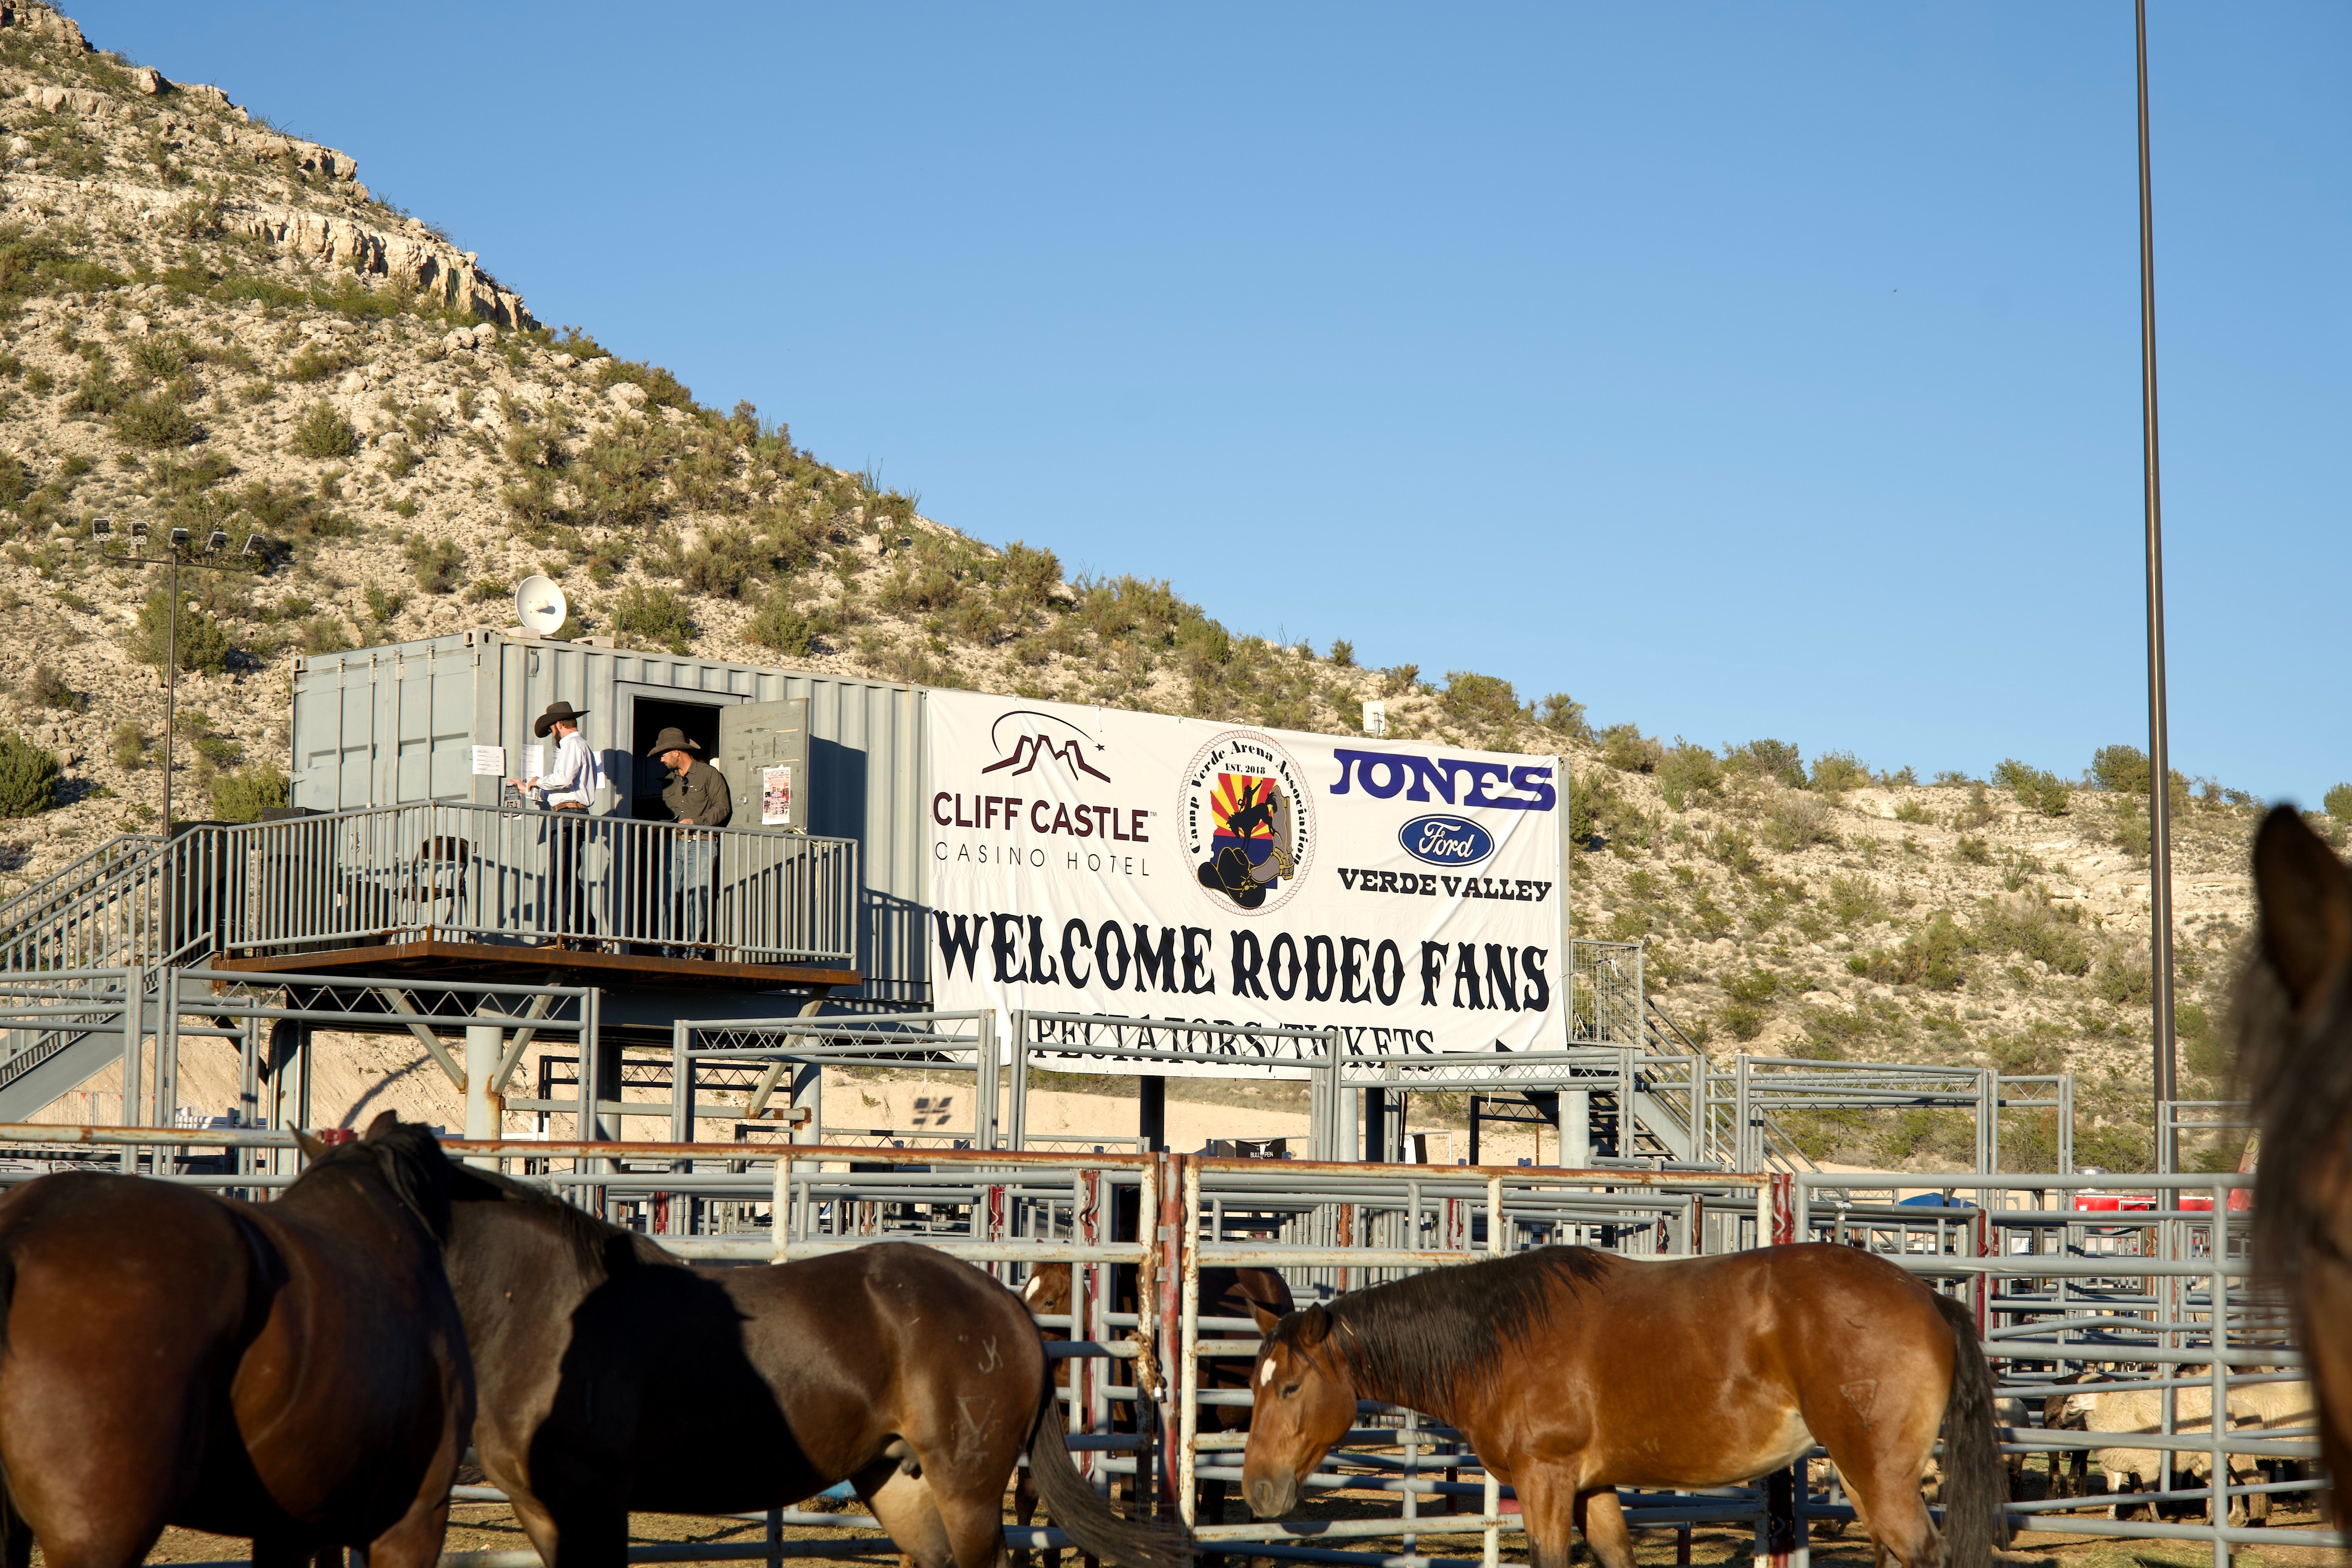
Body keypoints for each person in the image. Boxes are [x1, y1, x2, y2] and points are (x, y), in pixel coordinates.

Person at [510, 700, 604, 950]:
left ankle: (556, 936)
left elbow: (563, 780)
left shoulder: (572, 744)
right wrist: (529, 790)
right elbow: (564, 790)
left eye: (552, 729)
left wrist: (537, 781)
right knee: (567, 878)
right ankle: (588, 936)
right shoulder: (578, 746)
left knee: (558, 876)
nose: (552, 733)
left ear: (559, 725)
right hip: (569, 813)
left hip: (569, 816)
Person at [648, 726, 730, 957]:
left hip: (702, 843)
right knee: (665, 895)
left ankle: (694, 951)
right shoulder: (668, 781)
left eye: (663, 754)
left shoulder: (709, 774)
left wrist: (699, 821)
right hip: (672, 843)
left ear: (676, 752)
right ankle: (665, 951)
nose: (661, 759)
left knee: (697, 897)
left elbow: (723, 807)